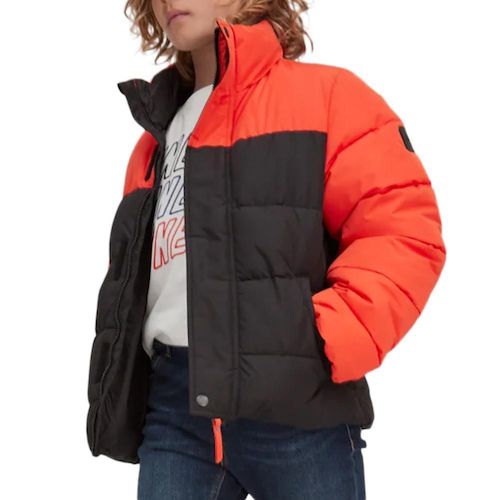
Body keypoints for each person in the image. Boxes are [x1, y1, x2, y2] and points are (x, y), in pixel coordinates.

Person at [85, 1, 447, 499]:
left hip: (300, 408)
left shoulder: (328, 98)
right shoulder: (154, 139)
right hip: (176, 411)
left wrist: (324, 339)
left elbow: (404, 231)